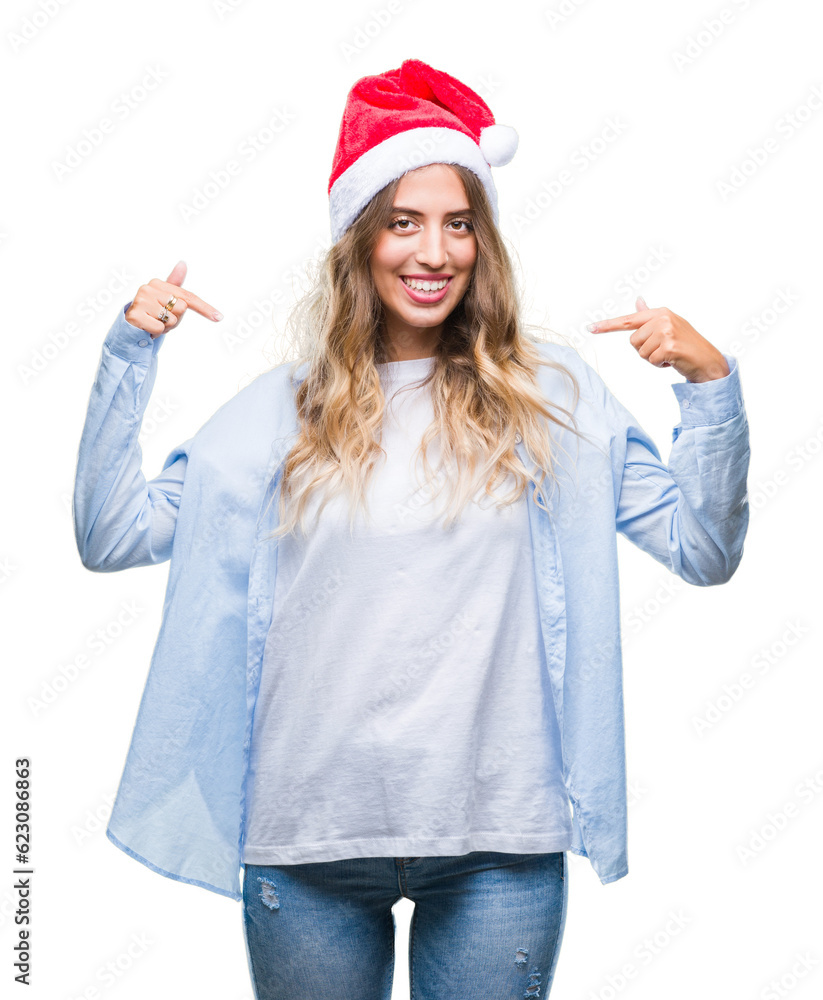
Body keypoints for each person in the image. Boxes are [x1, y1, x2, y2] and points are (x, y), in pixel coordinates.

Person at [73, 58, 750, 999]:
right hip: (309, 837)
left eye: (457, 223)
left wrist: (710, 389)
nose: (433, 251)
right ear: (360, 240)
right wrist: (127, 353)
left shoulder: (551, 401)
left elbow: (703, 550)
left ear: (483, 243)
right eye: (403, 222)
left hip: (498, 843)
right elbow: (110, 533)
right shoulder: (282, 413)